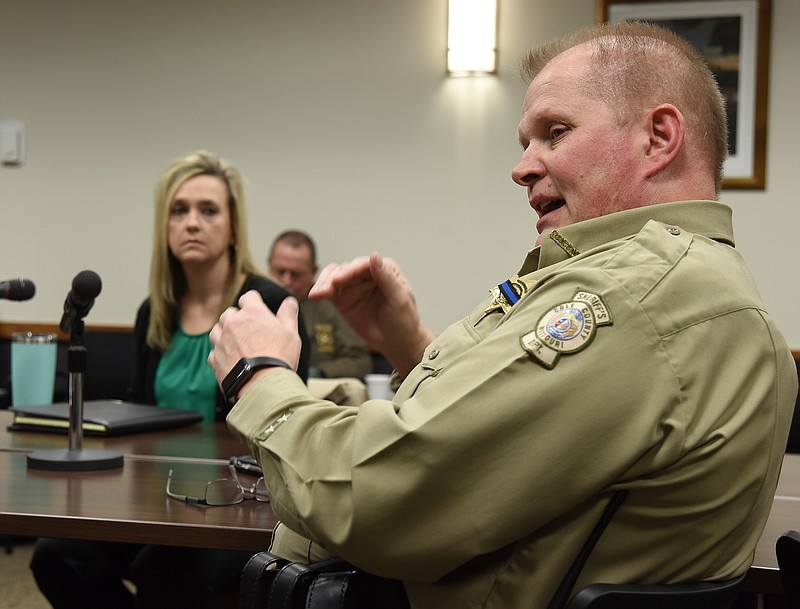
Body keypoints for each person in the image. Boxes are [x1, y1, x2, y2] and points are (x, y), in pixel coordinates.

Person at [207, 22, 796, 609]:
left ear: (658, 137)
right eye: (525, 143)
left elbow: (367, 500)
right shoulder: (689, 289)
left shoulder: (633, 300)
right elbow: (531, 457)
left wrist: (257, 373)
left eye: (555, 133)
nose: (522, 168)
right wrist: (410, 346)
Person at [30, 150, 310, 609]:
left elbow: (288, 423)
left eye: (208, 210)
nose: (192, 223)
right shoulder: (153, 312)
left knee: (163, 575)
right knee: (56, 558)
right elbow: (138, 412)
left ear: (234, 227)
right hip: (152, 496)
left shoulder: (269, 304)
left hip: (239, 502)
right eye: (179, 211)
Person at [268, 229, 372, 380]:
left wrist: (321, 371)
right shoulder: (254, 302)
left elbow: (360, 361)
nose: (287, 281)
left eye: (296, 275)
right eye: (280, 272)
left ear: (313, 271)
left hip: (317, 389)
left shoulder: (332, 305)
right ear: (269, 265)